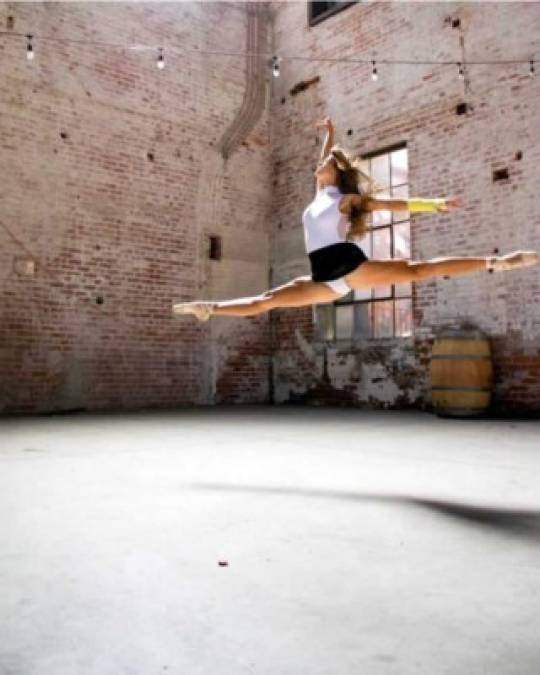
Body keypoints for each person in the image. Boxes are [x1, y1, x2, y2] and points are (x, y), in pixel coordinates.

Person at [173, 117, 539, 322]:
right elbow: (324, 160)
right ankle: (209, 308)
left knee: (416, 269)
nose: (317, 166)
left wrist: (432, 204)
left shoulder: (346, 200)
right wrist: (329, 136)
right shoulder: (320, 195)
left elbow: (386, 206)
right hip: (325, 276)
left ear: (333, 172)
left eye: (324, 163)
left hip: (344, 264)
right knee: (269, 299)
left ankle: (499, 261)